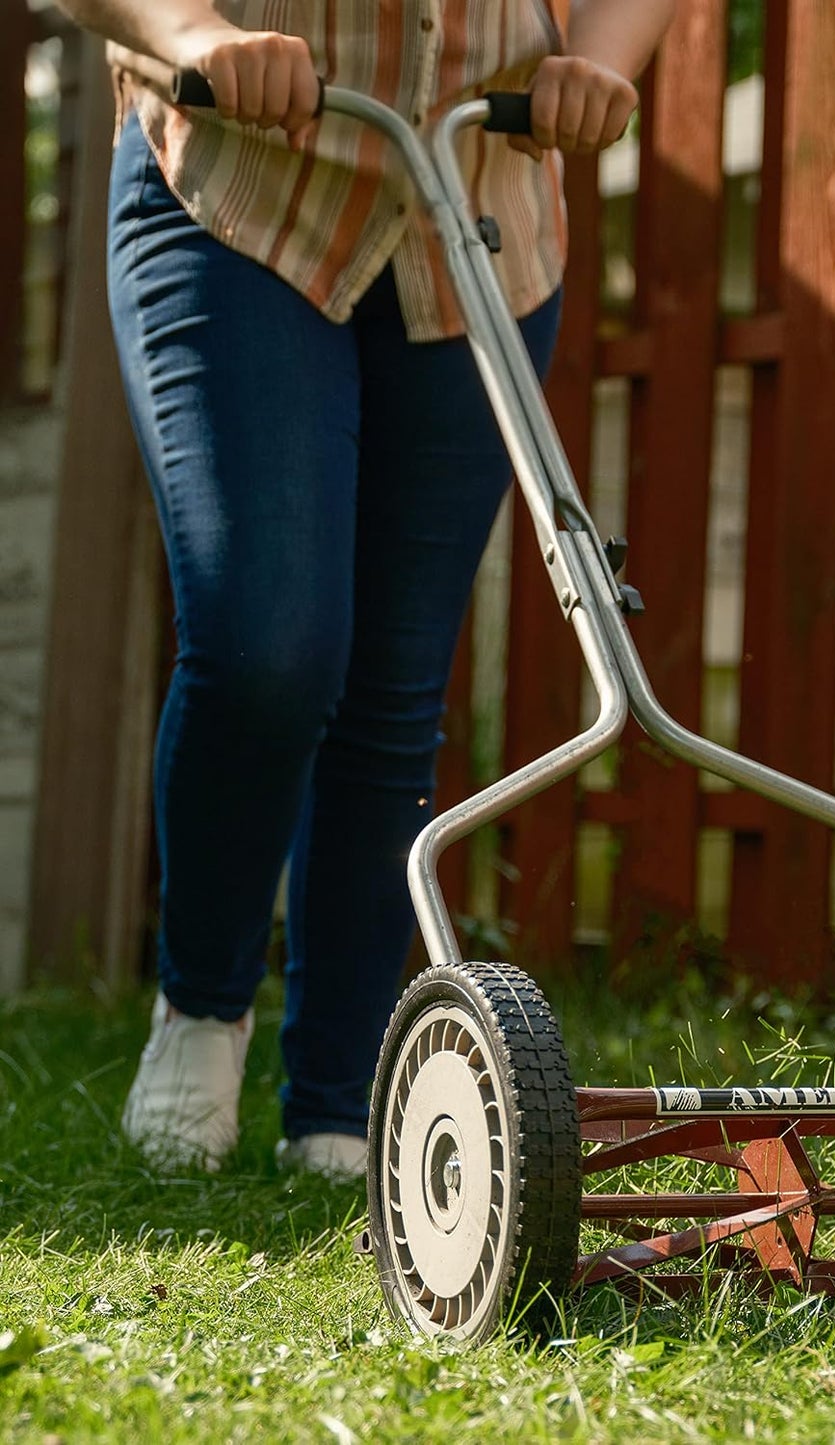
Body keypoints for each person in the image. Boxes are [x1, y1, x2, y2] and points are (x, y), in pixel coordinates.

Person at [55, 0, 676, 1177]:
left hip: (476, 201)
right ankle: (202, 1009)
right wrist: (188, 30)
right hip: (245, 191)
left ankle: (335, 1099)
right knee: (265, 643)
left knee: (395, 684)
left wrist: (597, 61)